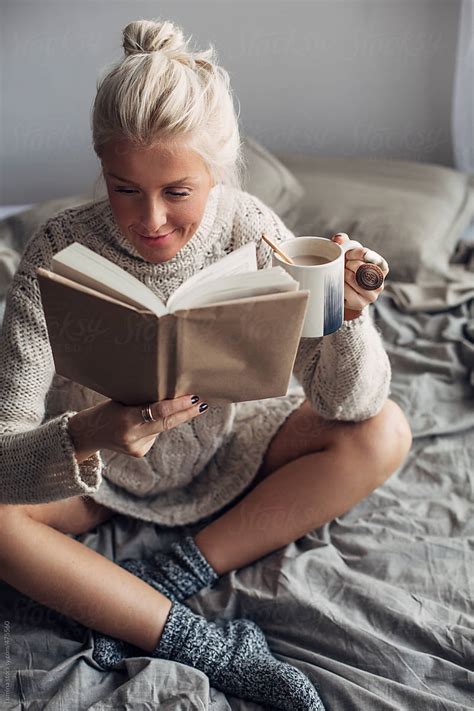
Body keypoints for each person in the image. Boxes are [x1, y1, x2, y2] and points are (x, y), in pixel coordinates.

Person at [0, 18, 412, 711]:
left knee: (387, 430)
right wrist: (92, 434)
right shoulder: (55, 252)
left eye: (178, 191)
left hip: (230, 454)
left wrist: (347, 313)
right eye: (124, 187)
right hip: (98, 480)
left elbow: (348, 406)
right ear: (102, 165)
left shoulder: (255, 232)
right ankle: (204, 641)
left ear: (215, 171)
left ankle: (170, 573)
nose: (150, 218)